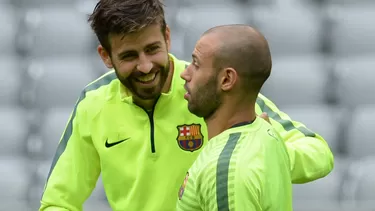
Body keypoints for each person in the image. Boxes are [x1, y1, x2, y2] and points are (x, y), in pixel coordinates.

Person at [39, 0, 333, 210]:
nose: (145, 66)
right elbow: (58, 202)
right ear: (106, 56)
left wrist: (265, 151)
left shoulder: (207, 89)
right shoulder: (93, 103)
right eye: (129, 56)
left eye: (152, 49)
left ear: (167, 37)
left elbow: (318, 153)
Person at [176, 24, 292, 211]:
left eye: (196, 64)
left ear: (227, 79)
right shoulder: (266, 131)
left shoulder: (225, 170)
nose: (185, 73)